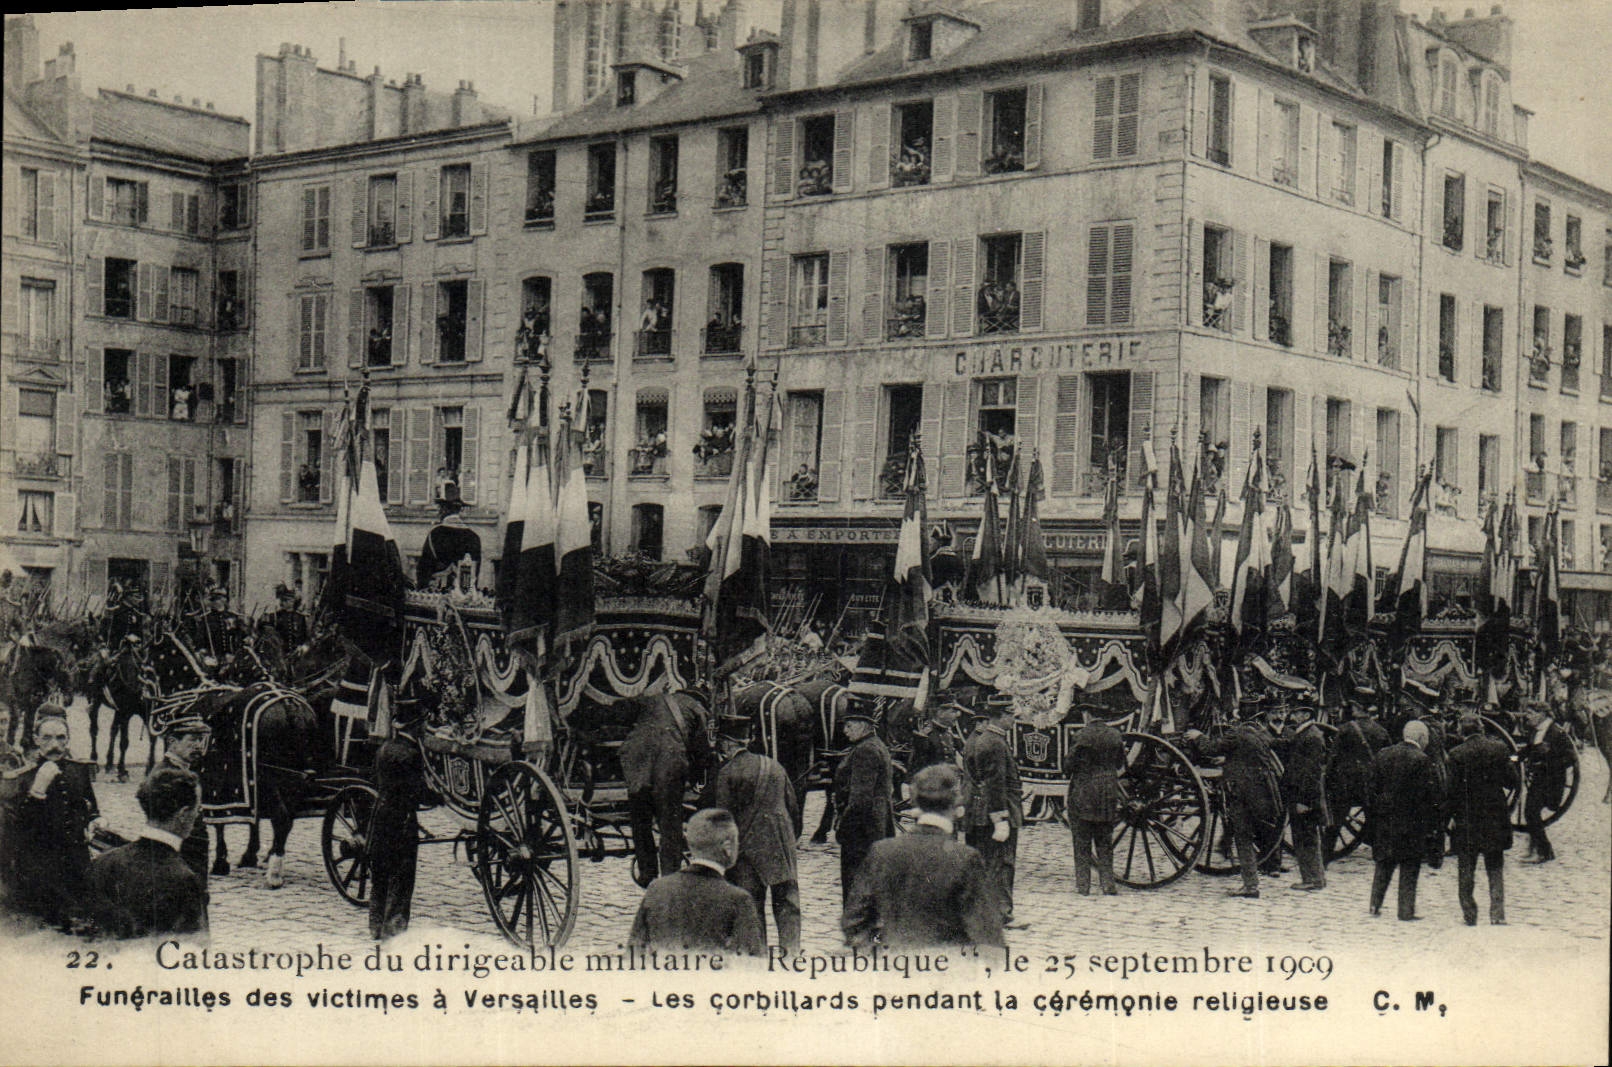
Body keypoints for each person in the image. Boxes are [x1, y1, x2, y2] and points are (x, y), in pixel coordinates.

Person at [842, 765, 1004, 950]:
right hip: (945, 968)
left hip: (893, 966)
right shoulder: (965, 858)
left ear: (915, 803)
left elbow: (853, 921)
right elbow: (988, 936)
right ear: (956, 805)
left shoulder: (882, 851)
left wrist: (880, 957)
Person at [1, 708, 102, 929]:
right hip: (41, 866)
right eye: (46, 738)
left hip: (77, 860)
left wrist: (95, 820)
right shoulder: (22, 778)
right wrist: (37, 791)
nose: (54, 744)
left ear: (68, 741)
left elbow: (91, 806)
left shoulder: (79, 770)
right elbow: (17, 830)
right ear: (36, 740)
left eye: (60, 738)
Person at [710, 713, 800, 954]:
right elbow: (793, 806)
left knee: (752, 904)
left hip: (749, 850)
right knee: (788, 903)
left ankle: (757, 955)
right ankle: (791, 953)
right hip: (781, 845)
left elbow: (724, 819)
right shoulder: (774, 765)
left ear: (728, 744)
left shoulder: (727, 773)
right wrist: (791, 837)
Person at [89, 767, 207, 939]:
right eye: (198, 809)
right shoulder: (185, 879)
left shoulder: (104, 862)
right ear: (183, 814)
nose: (198, 815)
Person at [628, 809, 763, 956]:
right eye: (737, 841)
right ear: (727, 847)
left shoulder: (656, 889)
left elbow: (633, 956)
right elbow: (750, 968)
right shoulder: (739, 899)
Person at [1185, 705, 1283, 898]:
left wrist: (1197, 736)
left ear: (1240, 716)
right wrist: (1228, 760)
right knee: (1259, 831)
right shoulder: (1261, 735)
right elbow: (1246, 756)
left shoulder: (1237, 734)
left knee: (1243, 837)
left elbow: (1210, 748)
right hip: (1264, 794)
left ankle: (1250, 885)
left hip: (1242, 795)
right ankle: (1269, 867)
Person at [1446, 714, 1517, 925]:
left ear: (1461, 732)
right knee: (1495, 866)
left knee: (1466, 867)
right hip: (1495, 817)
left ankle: (1469, 915)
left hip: (1467, 818)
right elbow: (1512, 781)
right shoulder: (1499, 749)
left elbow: (1451, 792)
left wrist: (1446, 819)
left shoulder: (1456, 754)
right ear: (1481, 729)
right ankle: (1497, 914)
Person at [1366, 719, 1438, 920]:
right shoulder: (1422, 760)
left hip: (1385, 821)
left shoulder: (1383, 754)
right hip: (1411, 824)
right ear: (1422, 738)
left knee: (1383, 864)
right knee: (1409, 865)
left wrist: (1378, 811)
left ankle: (1374, 905)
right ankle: (1405, 911)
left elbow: (1371, 789)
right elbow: (1428, 796)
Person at [963, 703, 1025, 926]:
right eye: (1011, 715)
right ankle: (1001, 913)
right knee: (1001, 863)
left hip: (988, 810)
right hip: (997, 811)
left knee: (991, 863)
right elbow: (994, 783)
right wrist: (1000, 819)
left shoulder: (990, 740)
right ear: (1000, 716)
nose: (1014, 720)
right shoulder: (994, 743)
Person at [370, 724, 430, 939]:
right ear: (416, 729)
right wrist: (437, 799)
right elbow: (418, 790)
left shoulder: (385, 748)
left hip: (381, 815)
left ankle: (376, 926)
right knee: (402, 875)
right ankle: (394, 929)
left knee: (380, 872)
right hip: (403, 819)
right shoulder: (412, 754)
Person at [833, 704, 894, 905]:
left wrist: (844, 829)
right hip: (876, 826)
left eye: (850, 726)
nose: (845, 731)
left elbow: (859, 799)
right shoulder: (876, 745)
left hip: (861, 831)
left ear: (864, 725)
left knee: (855, 886)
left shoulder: (865, 751)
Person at [151, 715, 212, 908]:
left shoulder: (186, 771)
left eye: (201, 740)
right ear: (172, 742)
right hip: (179, 857)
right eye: (192, 740)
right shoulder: (163, 775)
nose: (199, 746)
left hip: (193, 857)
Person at [1063, 711, 1125, 896]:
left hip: (1084, 793)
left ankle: (1083, 887)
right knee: (1105, 841)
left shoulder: (1081, 736)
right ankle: (1108, 884)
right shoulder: (1115, 735)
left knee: (1081, 842)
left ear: (1086, 715)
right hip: (1107, 793)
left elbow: (1068, 767)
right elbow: (1120, 763)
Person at [1282, 698, 1331, 891]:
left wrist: (1304, 801)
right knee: (1303, 838)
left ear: (1306, 715)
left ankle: (1313, 879)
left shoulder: (1312, 737)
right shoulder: (1305, 734)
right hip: (1301, 796)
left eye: (1296, 713)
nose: (1292, 716)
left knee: (1307, 839)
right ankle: (1312, 878)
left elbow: (1312, 773)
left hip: (1305, 798)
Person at [1520, 706, 1575, 863]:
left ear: (1542, 714)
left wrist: (1548, 763)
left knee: (1531, 813)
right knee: (1531, 813)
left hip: (1552, 781)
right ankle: (1536, 849)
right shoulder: (1536, 731)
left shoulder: (1557, 733)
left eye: (1530, 712)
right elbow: (1526, 752)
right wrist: (1510, 759)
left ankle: (1545, 852)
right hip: (1539, 780)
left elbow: (1570, 758)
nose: (1527, 715)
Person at [416, 482, 481, 589]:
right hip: (464, 594)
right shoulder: (474, 537)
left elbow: (424, 569)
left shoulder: (435, 534)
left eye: (440, 509)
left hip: (438, 594)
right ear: (459, 510)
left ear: (444, 510)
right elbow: (475, 573)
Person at [191, 587, 244, 675]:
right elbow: (199, 642)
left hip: (232, 659)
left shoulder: (233, 617)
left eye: (219, 599)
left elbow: (240, 638)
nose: (216, 602)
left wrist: (235, 654)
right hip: (213, 659)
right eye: (214, 600)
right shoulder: (206, 619)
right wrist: (206, 656)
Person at [909, 703, 967, 780]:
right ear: (941, 714)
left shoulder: (950, 735)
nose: (958, 715)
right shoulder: (926, 736)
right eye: (953, 712)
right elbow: (918, 768)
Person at [266, 583, 309, 654]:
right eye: (282, 600)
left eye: (286, 600)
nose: (282, 603)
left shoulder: (300, 618)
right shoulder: (275, 616)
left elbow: (305, 636)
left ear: (292, 602)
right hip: (280, 654)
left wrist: (303, 647)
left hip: (297, 654)